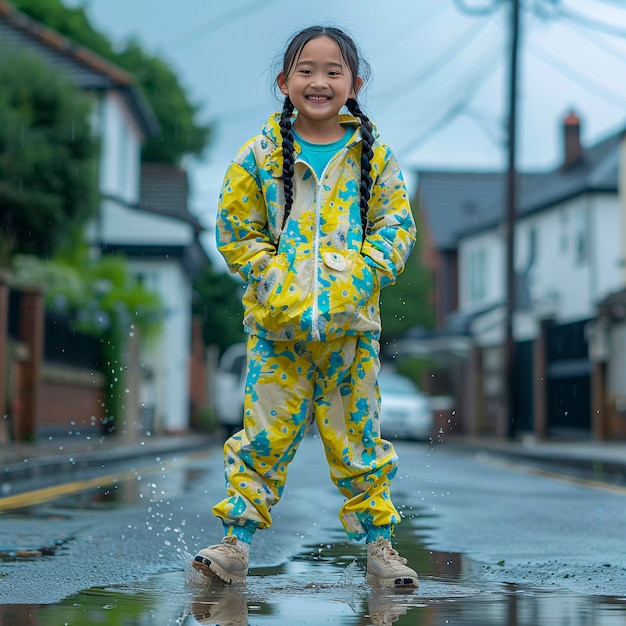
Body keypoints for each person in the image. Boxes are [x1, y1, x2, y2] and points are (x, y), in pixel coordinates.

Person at [193, 25, 418, 590]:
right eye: (306, 71)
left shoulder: (374, 156)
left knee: (360, 446)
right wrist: (271, 278)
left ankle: (380, 550)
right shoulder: (260, 155)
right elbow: (235, 228)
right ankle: (235, 546)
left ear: (354, 84)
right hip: (277, 335)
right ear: (284, 82)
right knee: (262, 441)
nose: (319, 81)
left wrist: (363, 274)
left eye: (333, 71)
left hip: (350, 335)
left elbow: (396, 226)